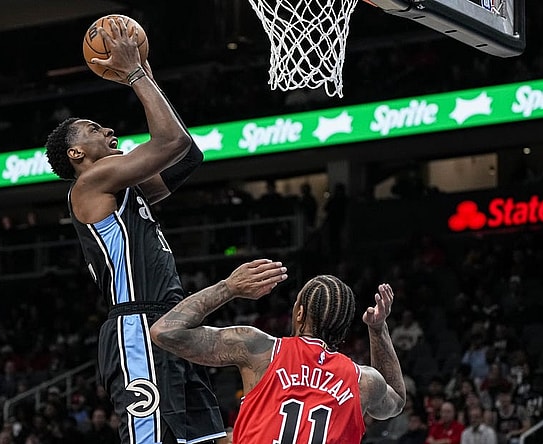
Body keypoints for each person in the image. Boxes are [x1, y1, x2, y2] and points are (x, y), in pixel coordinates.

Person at [44, 17, 223, 444]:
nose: (108, 130)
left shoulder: (127, 187)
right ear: (76, 153)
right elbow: (169, 144)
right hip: (138, 327)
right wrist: (135, 75)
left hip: (171, 321)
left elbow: (187, 154)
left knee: (208, 439)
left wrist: (146, 73)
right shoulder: (89, 185)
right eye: (93, 129)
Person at [150, 261, 407, 443]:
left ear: (299, 313)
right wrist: (377, 329)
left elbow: (165, 332)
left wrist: (229, 287)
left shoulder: (258, 349)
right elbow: (396, 402)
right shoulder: (364, 381)